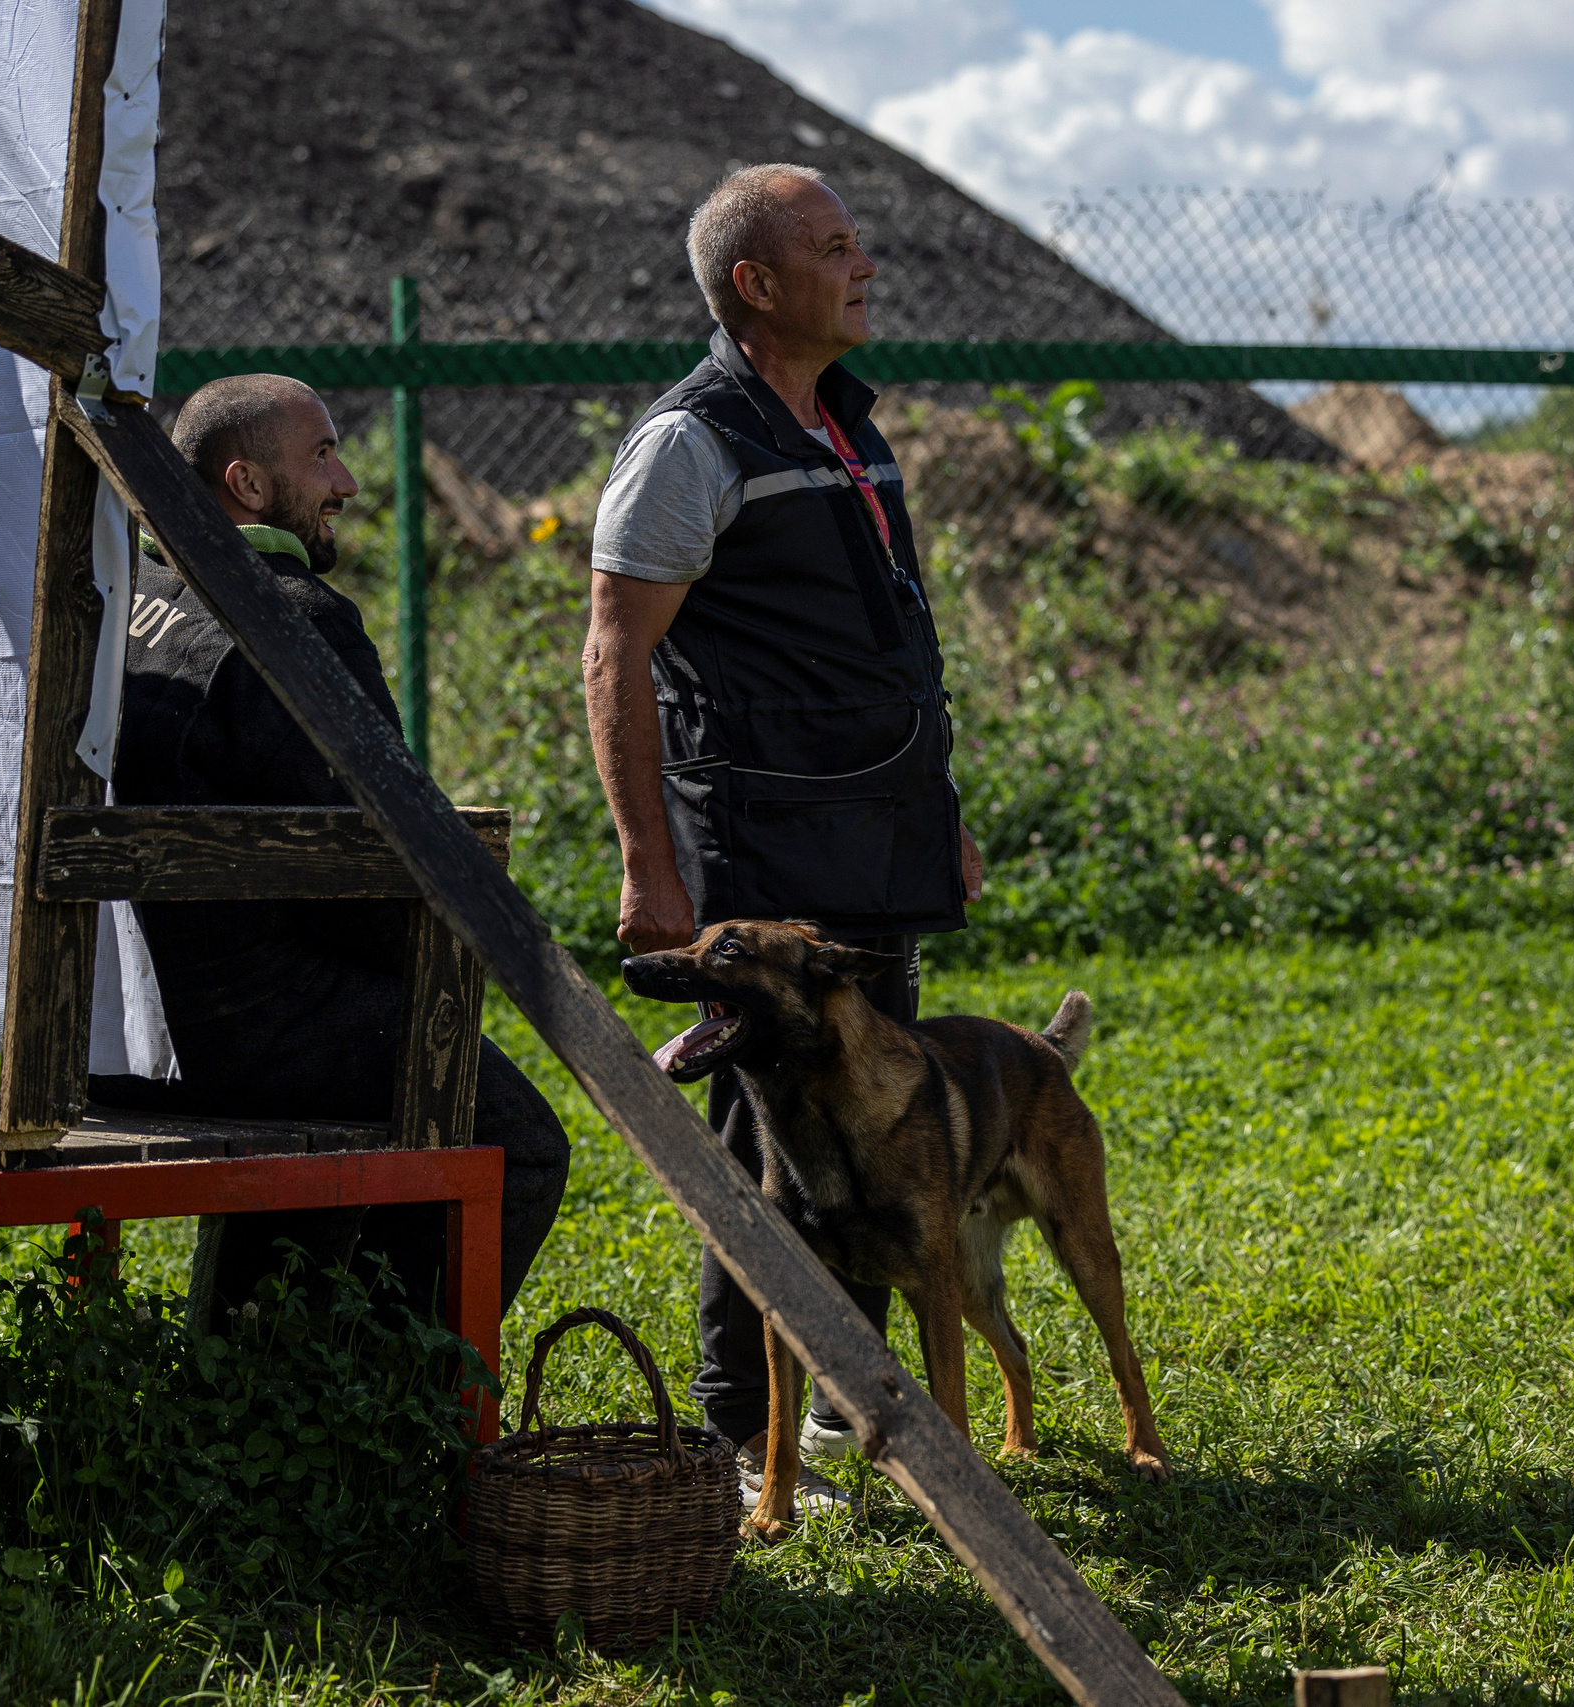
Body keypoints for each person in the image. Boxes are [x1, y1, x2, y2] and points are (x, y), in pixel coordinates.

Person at [581, 165, 984, 1489]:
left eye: (858, 242)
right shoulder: (688, 443)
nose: (865, 265)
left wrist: (939, 816)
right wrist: (649, 864)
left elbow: (890, 653)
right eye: (835, 246)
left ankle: (839, 1398)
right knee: (769, 1147)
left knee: (876, 1117)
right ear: (756, 284)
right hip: (763, 855)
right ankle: (738, 1425)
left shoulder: (851, 425)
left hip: (876, 838)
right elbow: (614, 656)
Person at [90, 373, 570, 1329]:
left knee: (360, 1073)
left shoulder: (128, 600)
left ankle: (246, 1368)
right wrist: (433, 972)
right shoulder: (295, 619)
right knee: (517, 1141)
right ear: (247, 484)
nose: (347, 482)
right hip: (250, 1031)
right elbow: (378, 867)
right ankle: (382, 1386)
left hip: (129, 1026)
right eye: (322, 456)